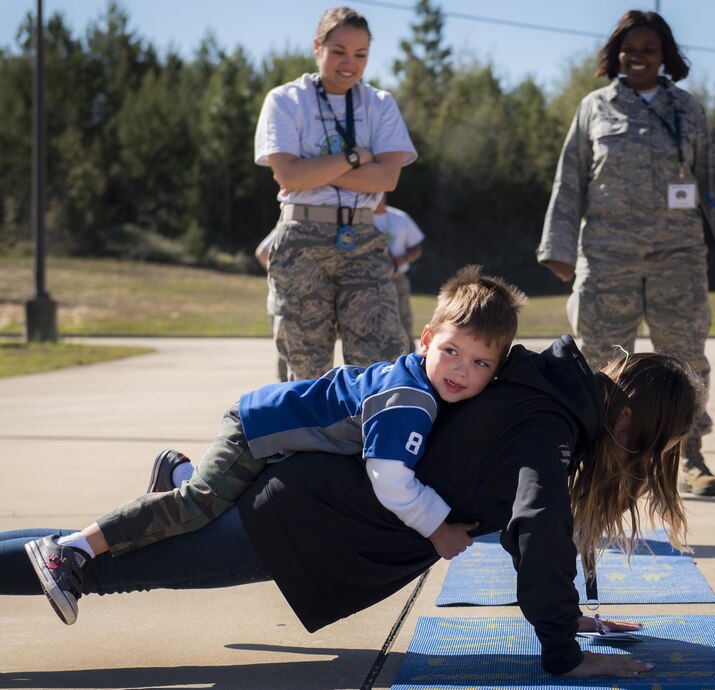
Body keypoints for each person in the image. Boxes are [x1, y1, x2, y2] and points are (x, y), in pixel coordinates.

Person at [2, 336, 700, 678]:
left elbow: (521, 520)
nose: (642, 457)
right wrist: (563, 649)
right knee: (106, 567)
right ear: (635, 414)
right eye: (651, 441)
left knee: (107, 554)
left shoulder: (548, 399)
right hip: (302, 518)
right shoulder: (549, 426)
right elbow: (537, 522)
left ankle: (145, 499)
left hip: (310, 506)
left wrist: (565, 611)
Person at [23, 265, 526, 625]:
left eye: (480, 363)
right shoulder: (411, 401)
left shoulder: (419, 383)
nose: (462, 370)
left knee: (204, 495)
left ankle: (177, 471)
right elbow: (390, 477)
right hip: (256, 432)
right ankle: (69, 550)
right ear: (425, 340)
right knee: (195, 508)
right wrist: (437, 527)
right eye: (452, 352)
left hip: (269, 432)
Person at [536, 9, 715, 497]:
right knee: (599, 359)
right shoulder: (595, 107)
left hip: (676, 256)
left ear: (665, 57)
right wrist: (558, 247)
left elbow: (714, 177)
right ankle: (595, 457)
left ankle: (687, 459)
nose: (636, 56)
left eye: (648, 49)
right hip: (607, 255)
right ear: (615, 53)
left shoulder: (687, 110)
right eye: (628, 48)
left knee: (684, 361)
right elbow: (569, 179)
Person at [255, 6, 416, 381]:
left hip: (362, 238)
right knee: (306, 364)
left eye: (361, 55)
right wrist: (356, 158)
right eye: (339, 51)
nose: (350, 63)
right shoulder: (285, 100)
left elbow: (388, 179)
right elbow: (289, 175)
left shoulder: (380, 104)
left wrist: (316, 171)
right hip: (301, 242)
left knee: (381, 358)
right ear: (317, 47)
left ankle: (370, 438)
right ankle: (306, 442)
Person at [373, 193, 425, 351]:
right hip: (368, 279)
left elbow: (416, 248)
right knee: (371, 324)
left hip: (396, 278)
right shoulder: (359, 217)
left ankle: (409, 359)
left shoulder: (400, 218)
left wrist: (403, 258)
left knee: (403, 321)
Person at [255, 230, 289, 382]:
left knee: (284, 356)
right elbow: (262, 252)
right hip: (284, 303)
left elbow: (262, 252)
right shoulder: (287, 226)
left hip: (278, 303)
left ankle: (283, 397)